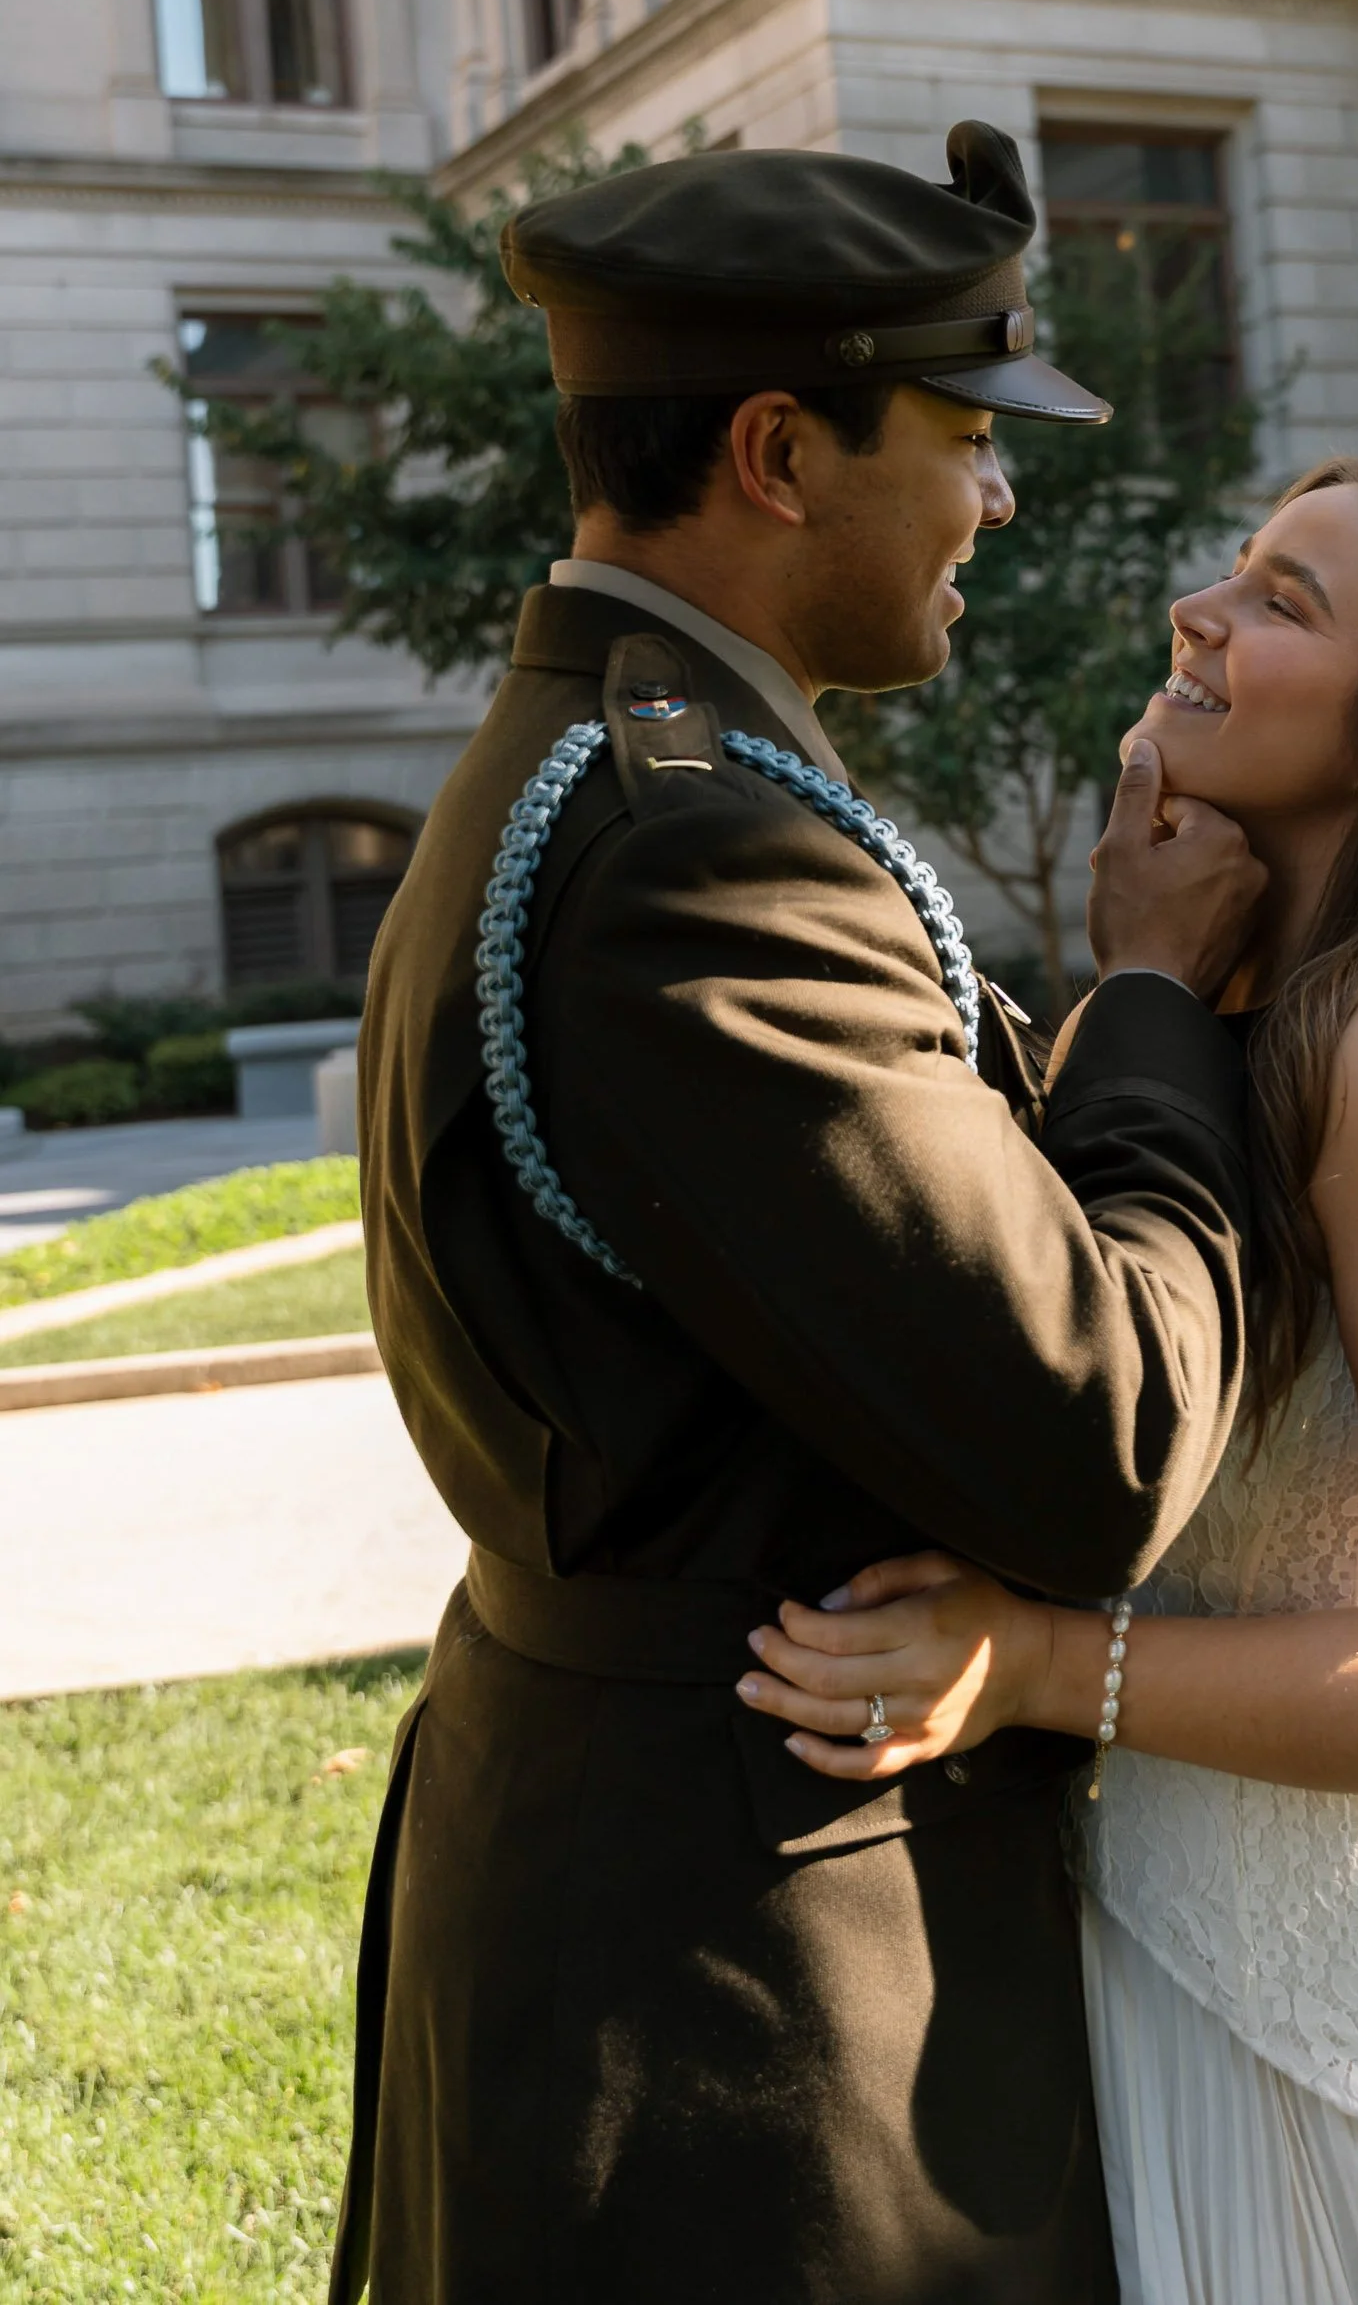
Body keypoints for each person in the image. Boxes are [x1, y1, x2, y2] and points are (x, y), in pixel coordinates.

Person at [331, 122, 1269, 2305]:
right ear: (775, 449)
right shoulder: (695, 852)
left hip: (633, 1875)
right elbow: (1095, 1429)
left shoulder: (630, 756)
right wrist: (1149, 1002)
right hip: (741, 1986)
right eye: (962, 437)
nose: (998, 501)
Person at [742, 459, 1358, 2302]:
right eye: (1236, 569)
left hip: (1350, 2034)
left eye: (1286, 600)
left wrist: (1037, 1666)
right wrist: (1136, 978)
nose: (1200, 609)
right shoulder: (1199, 1023)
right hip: (1125, 1980)